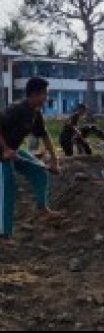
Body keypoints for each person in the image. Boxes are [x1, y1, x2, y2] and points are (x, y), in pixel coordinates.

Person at [0, 77, 61, 245]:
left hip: (14, 150)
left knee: (40, 171)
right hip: (2, 152)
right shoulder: (16, 109)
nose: (46, 98)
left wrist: (55, 160)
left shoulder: (35, 114)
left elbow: (45, 136)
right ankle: (4, 235)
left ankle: (42, 209)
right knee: (8, 188)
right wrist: (5, 149)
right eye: (45, 94)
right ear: (35, 94)